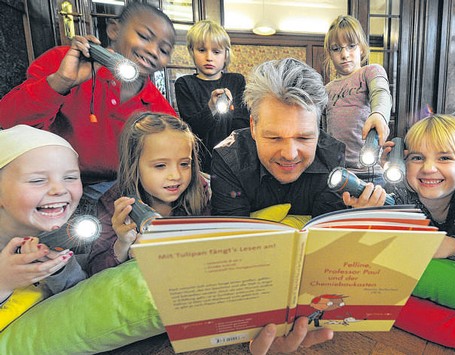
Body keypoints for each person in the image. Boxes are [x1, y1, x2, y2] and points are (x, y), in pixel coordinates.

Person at [0, 3, 177, 204]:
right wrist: (61, 81)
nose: (154, 51)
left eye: (164, 50)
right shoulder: (65, 62)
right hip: (48, 186)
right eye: (144, 36)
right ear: (114, 29)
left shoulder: (161, 109)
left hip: (114, 192)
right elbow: (9, 121)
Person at [210, 58, 388, 218]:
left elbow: (326, 233)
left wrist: (354, 219)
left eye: (303, 138)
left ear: (318, 131)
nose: (289, 154)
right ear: (253, 127)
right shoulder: (229, 161)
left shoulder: (332, 157)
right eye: (274, 138)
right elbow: (234, 241)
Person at [86, 113, 210, 276]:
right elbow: (94, 272)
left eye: (184, 164)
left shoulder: (201, 191)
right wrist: (123, 244)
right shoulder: (113, 204)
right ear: (134, 164)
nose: (176, 175)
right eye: (160, 165)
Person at [383, 114, 455, 276]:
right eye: (417, 158)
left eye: (444, 158)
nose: (428, 168)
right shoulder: (399, 193)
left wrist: (453, 247)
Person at [0, 125, 86, 318]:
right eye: (37, 180)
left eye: (70, 177)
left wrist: (60, 270)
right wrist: (3, 281)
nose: (59, 189)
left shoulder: (60, 239)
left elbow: (80, 304)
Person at [322, 15, 392, 185]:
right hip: (337, 173)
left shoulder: (370, 72)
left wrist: (379, 115)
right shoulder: (327, 89)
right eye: (336, 49)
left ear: (361, 48)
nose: (345, 54)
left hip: (371, 171)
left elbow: (381, 92)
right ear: (330, 54)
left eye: (351, 46)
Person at [175, 19, 250, 174]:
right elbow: (192, 130)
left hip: (234, 161)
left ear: (225, 54)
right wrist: (211, 108)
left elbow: (242, 124)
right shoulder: (184, 83)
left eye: (216, 52)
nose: (209, 57)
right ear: (191, 51)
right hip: (200, 164)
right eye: (202, 50)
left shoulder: (236, 80)